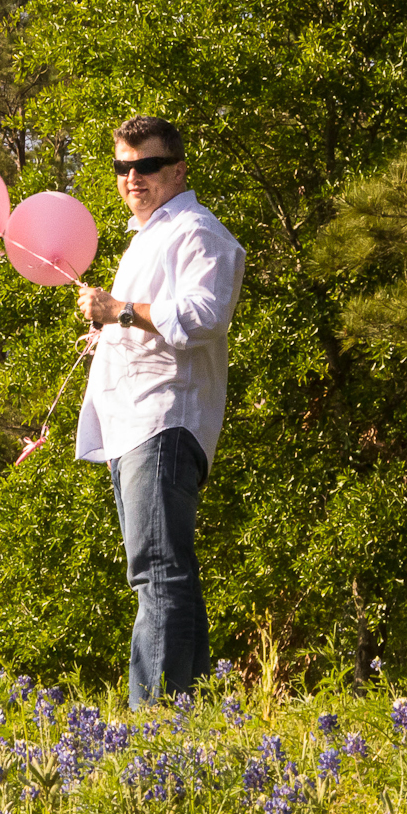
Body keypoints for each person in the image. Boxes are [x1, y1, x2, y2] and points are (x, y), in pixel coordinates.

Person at [73, 115, 244, 706]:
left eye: (145, 165)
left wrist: (120, 310)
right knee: (166, 569)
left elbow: (204, 314)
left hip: (165, 420)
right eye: (123, 166)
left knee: (157, 570)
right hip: (133, 424)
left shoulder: (198, 231)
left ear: (177, 170)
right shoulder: (145, 239)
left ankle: (156, 717)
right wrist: (110, 331)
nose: (132, 177)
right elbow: (149, 322)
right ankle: (186, 715)